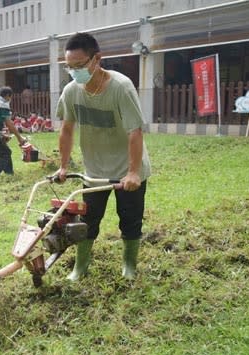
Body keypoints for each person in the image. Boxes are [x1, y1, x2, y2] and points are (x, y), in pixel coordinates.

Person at [56, 32, 151, 281]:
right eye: (70, 66)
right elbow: (66, 129)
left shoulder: (120, 87)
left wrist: (133, 172)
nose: (75, 71)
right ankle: (80, 267)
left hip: (127, 169)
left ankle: (129, 266)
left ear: (97, 58)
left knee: (130, 220)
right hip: (94, 171)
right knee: (87, 220)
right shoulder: (71, 91)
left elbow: (135, 131)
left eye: (80, 65)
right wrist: (63, 166)